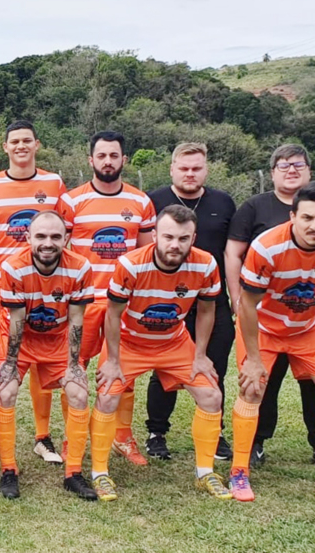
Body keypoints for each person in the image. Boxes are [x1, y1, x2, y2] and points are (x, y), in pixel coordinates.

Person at [230, 181, 315, 505]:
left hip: (308, 326)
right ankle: (239, 471)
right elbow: (247, 304)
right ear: (293, 216)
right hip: (262, 326)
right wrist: (252, 357)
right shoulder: (266, 246)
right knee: (253, 388)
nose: (314, 226)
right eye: (307, 218)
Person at [91, 206, 229, 502]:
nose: (175, 245)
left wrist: (201, 355)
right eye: (168, 237)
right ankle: (99, 473)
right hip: (129, 343)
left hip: (173, 342)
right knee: (107, 396)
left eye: (183, 238)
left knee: (211, 396)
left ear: (194, 237)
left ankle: (205, 473)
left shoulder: (205, 264)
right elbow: (112, 314)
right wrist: (113, 361)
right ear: (154, 235)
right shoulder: (131, 264)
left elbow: (207, 309)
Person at [0, 120, 75, 465]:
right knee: (0, 362)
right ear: (5, 147)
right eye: (14, 141)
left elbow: (65, 229)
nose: (21, 146)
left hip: (45, 285)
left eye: (27, 140)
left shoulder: (54, 183)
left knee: (43, 359)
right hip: (0, 285)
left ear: (37, 144)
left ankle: (43, 437)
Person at [0, 211, 95, 500]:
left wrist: (74, 365)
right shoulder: (14, 267)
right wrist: (10, 363)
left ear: (66, 238)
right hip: (19, 337)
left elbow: (77, 319)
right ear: (28, 239)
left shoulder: (80, 267)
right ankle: (8, 469)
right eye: (40, 236)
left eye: (54, 236)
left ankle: (73, 472)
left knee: (78, 393)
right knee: (6, 390)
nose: (47, 243)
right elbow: (15, 320)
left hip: (57, 337)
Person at [67, 130, 155, 467]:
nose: (107, 161)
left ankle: (122, 436)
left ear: (124, 159)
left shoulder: (140, 202)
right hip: (84, 301)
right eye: (101, 156)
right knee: (76, 368)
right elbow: (61, 253)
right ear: (91, 160)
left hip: (124, 303)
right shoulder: (73, 201)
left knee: (124, 371)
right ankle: (71, 437)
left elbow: (147, 254)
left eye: (113, 155)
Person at [145, 143, 236, 461]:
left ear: (205, 169)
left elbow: (232, 252)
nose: (190, 173)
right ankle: (156, 433)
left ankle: (216, 432)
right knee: (163, 372)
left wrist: (234, 296)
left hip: (212, 298)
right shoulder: (154, 201)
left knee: (214, 369)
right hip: (167, 301)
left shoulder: (223, 203)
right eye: (184, 167)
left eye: (196, 167)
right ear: (172, 168)